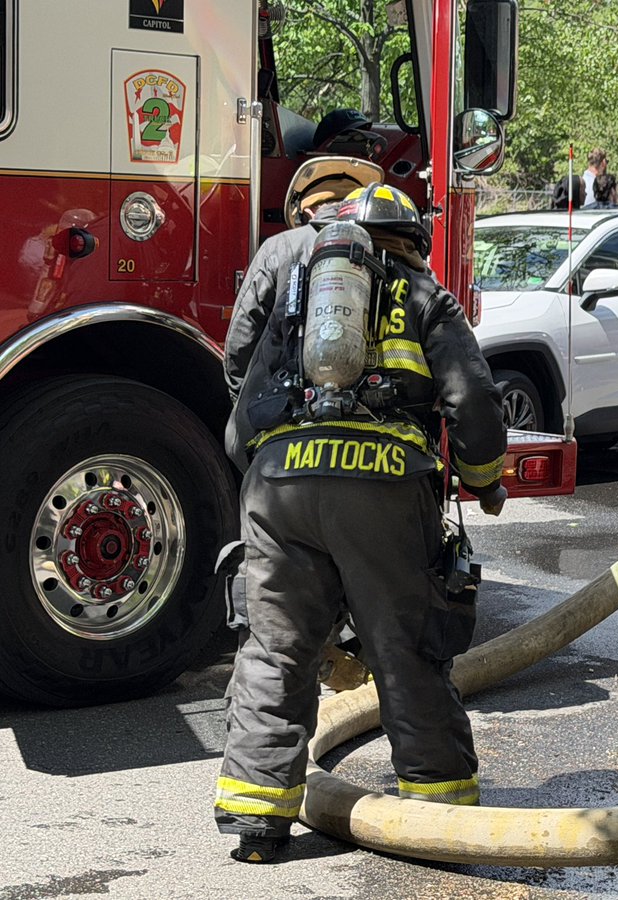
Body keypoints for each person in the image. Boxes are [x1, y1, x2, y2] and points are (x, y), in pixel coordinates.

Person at [214, 182, 508, 863]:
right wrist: (484, 480)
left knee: (274, 647)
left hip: (277, 483)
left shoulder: (295, 288)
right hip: (382, 487)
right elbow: (476, 402)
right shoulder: (425, 296)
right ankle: (438, 810)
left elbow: (240, 377)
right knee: (404, 647)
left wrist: (268, 461)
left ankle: (256, 821)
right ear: (413, 242)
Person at [223, 155, 383, 420]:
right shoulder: (379, 250)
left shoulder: (278, 246)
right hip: (369, 410)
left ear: (308, 211)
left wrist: (246, 400)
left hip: (291, 411)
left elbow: (243, 335)